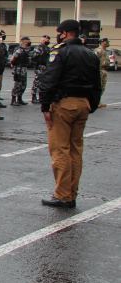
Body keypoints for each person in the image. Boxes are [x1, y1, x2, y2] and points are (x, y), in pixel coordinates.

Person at [38, 19, 101, 208]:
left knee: (60, 150)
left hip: (64, 104)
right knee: (75, 150)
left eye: (59, 33)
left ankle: (63, 195)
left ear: (64, 33)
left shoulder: (60, 51)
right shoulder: (90, 54)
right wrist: (91, 105)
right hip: (83, 104)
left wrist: (45, 106)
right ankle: (71, 193)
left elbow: (49, 79)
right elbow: (97, 85)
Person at [10, 36, 33, 106]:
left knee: (23, 84)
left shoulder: (27, 49)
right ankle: (13, 99)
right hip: (19, 69)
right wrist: (13, 65)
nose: (29, 43)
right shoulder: (19, 49)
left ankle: (19, 99)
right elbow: (13, 58)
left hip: (24, 68)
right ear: (25, 42)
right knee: (18, 84)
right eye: (28, 42)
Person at [30, 35, 51, 103]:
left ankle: (41, 96)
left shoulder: (47, 48)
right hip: (39, 67)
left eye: (48, 40)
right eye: (46, 40)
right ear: (42, 40)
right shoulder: (38, 48)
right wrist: (36, 65)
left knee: (44, 82)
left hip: (46, 67)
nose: (48, 42)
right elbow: (33, 57)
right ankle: (34, 97)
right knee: (37, 82)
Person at [93, 38, 110, 108]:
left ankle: (98, 101)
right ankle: (95, 102)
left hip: (104, 70)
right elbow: (94, 60)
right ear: (102, 42)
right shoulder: (99, 50)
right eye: (106, 42)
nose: (108, 43)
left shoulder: (105, 51)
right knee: (98, 86)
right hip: (99, 70)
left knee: (102, 87)